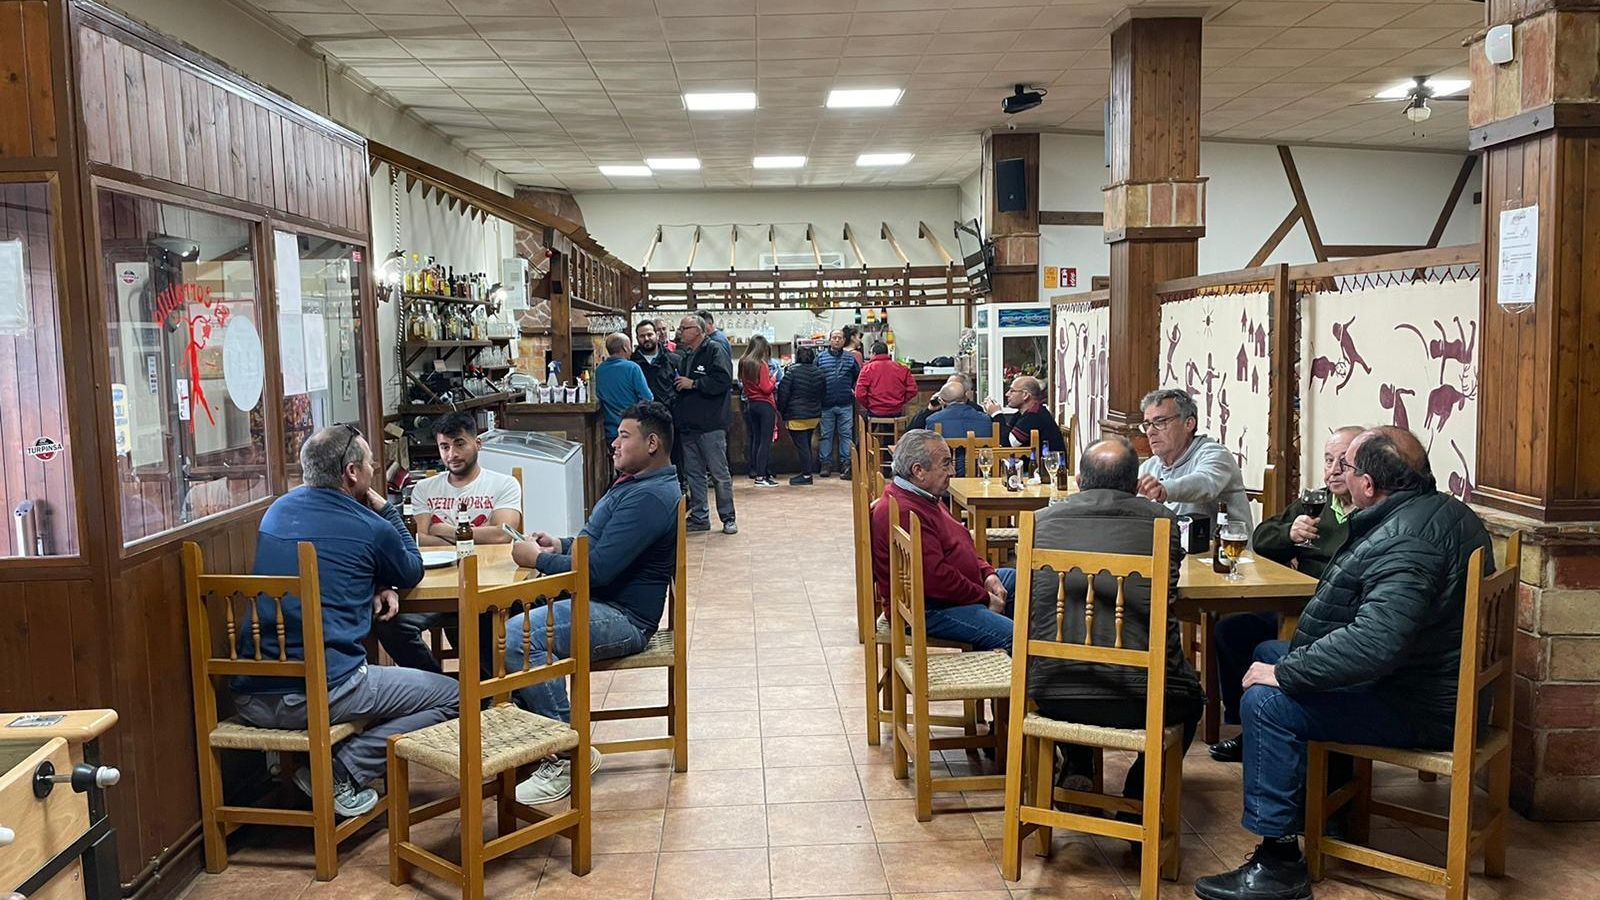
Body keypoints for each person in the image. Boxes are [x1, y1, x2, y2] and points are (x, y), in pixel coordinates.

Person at [1193, 427, 1492, 900]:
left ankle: (1279, 862)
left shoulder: (1406, 541)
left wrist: (1286, 675)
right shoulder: (1442, 511)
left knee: (1265, 701)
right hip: (1427, 679)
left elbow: (1375, 643)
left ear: (1368, 484)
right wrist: (1284, 665)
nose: (1338, 475)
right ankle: (1321, 803)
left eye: (1346, 467)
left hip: (1418, 703)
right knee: (1267, 651)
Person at [231, 426, 457, 818]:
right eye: (370, 464)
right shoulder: (369, 525)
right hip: (321, 694)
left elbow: (329, 566)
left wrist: (375, 582)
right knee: (455, 696)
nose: (374, 469)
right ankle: (341, 771)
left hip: (251, 696)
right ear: (352, 472)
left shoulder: (276, 513)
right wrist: (385, 509)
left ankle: (327, 770)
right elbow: (411, 570)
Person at [506, 402, 683, 805]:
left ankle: (567, 756)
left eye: (624, 436)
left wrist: (538, 560)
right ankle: (531, 739)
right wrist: (561, 545)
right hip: (602, 602)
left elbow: (597, 571)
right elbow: (598, 547)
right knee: (498, 620)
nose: (614, 444)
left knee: (520, 636)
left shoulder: (650, 497)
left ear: (652, 444)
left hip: (623, 617)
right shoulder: (636, 484)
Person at [1030, 437, 1204, 798]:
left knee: (1073, 642)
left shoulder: (1040, 523)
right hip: (1145, 697)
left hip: (1054, 692)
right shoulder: (1162, 523)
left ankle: (1078, 764)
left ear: (1079, 481)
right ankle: (1140, 789)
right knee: (1192, 699)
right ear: (1135, 484)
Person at [1209, 425, 1363, 764]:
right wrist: (1289, 534)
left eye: (1343, 462)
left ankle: (1280, 733)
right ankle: (1246, 724)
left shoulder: (1370, 513)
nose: (1334, 471)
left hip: (1337, 618)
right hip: (1296, 604)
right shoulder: (1317, 502)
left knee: (1268, 647)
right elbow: (1261, 539)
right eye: (1328, 461)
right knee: (1231, 630)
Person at [376, 412, 521, 674]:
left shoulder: (504, 484)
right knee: (389, 623)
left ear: (477, 443)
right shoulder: (425, 488)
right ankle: (441, 686)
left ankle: (487, 687)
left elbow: (502, 534)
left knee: (482, 632)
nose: (451, 454)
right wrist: (475, 536)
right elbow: (419, 538)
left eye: (459, 444)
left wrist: (446, 530)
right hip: (434, 585)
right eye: (444, 446)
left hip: (486, 582)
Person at [870, 429, 1016, 652]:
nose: (952, 471)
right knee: (1015, 637)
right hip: (930, 608)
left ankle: (1031, 653)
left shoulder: (924, 496)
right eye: (946, 464)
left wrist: (987, 573)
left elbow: (960, 539)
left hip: (951, 594)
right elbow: (935, 579)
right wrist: (984, 597)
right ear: (918, 471)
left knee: (1017, 581)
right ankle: (1016, 664)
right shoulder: (905, 511)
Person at [1134, 387, 1253, 535]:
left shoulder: (1215, 454)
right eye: (1147, 425)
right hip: (1171, 548)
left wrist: (1164, 489)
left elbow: (1205, 484)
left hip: (1224, 547)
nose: (1150, 432)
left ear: (1189, 424)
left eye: (1160, 422)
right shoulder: (1148, 467)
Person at [673, 314, 737, 534]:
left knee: (719, 474)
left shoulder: (714, 350)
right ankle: (700, 517)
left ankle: (728, 518)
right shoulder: (686, 355)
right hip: (689, 425)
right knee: (694, 474)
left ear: (698, 330)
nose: (680, 331)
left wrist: (694, 384)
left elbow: (723, 381)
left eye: (684, 328)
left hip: (711, 424)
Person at [777, 344, 826, 486]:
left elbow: (783, 394)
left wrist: (782, 412)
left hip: (796, 416)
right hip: (814, 415)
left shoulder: (791, 372)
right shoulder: (819, 373)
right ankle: (807, 473)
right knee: (807, 444)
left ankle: (806, 475)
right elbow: (823, 393)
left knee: (802, 446)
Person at [816, 329, 861, 479]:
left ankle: (846, 464)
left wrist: (853, 389)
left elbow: (858, 377)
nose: (836, 340)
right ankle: (825, 464)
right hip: (826, 404)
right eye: (834, 337)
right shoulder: (820, 358)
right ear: (830, 340)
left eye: (839, 338)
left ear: (843, 340)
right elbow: (815, 377)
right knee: (825, 435)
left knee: (846, 435)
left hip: (845, 403)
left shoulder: (850, 359)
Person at [594, 333, 653, 443]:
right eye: (630, 345)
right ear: (625, 348)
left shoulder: (599, 370)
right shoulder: (632, 368)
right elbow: (647, 398)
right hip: (633, 429)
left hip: (610, 431)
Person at [983, 375, 1065, 453]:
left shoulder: (1035, 415)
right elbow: (1007, 433)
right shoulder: (1021, 414)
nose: (1007, 394)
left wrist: (996, 414)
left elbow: (1009, 444)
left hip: (1047, 462)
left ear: (1025, 395)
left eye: (1012, 391)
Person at [927, 381, 995, 475]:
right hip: (980, 475)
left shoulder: (933, 420)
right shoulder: (986, 419)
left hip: (947, 476)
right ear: (966, 398)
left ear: (941, 401)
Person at [739, 336, 779, 487]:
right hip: (765, 405)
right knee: (765, 442)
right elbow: (766, 388)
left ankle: (757, 472)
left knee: (756, 440)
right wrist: (773, 379)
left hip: (751, 404)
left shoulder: (743, 362)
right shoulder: (761, 364)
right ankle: (762, 477)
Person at [855, 340, 918, 418]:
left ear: (874, 354)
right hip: (896, 412)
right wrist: (901, 401)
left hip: (874, 412)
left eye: (869, 353)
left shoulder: (866, 369)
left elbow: (859, 393)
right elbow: (913, 390)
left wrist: (869, 405)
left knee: (862, 420)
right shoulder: (902, 368)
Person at [631, 321, 679, 405]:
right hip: (641, 411)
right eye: (642, 336)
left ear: (657, 335)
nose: (646, 339)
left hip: (669, 410)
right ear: (637, 338)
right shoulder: (631, 363)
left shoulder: (673, 360)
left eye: (649, 335)